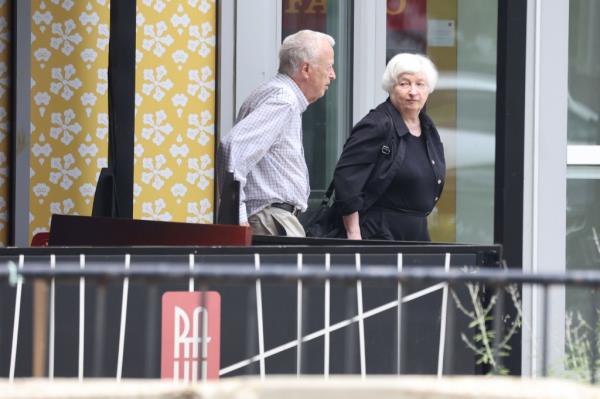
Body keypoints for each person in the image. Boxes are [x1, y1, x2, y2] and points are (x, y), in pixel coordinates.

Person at [217, 30, 336, 236]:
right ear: (306, 69)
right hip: (270, 220)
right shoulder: (283, 99)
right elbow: (233, 147)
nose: (332, 75)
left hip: (270, 218)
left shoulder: (276, 93)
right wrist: (239, 219)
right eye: (328, 67)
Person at [333, 53, 445, 241]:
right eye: (404, 84)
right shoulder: (377, 124)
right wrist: (354, 234)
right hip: (377, 233)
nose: (413, 91)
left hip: (416, 233)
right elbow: (347, 179)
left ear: (429, 89)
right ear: (390, 87)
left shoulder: (428, 127)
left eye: (420, 84)